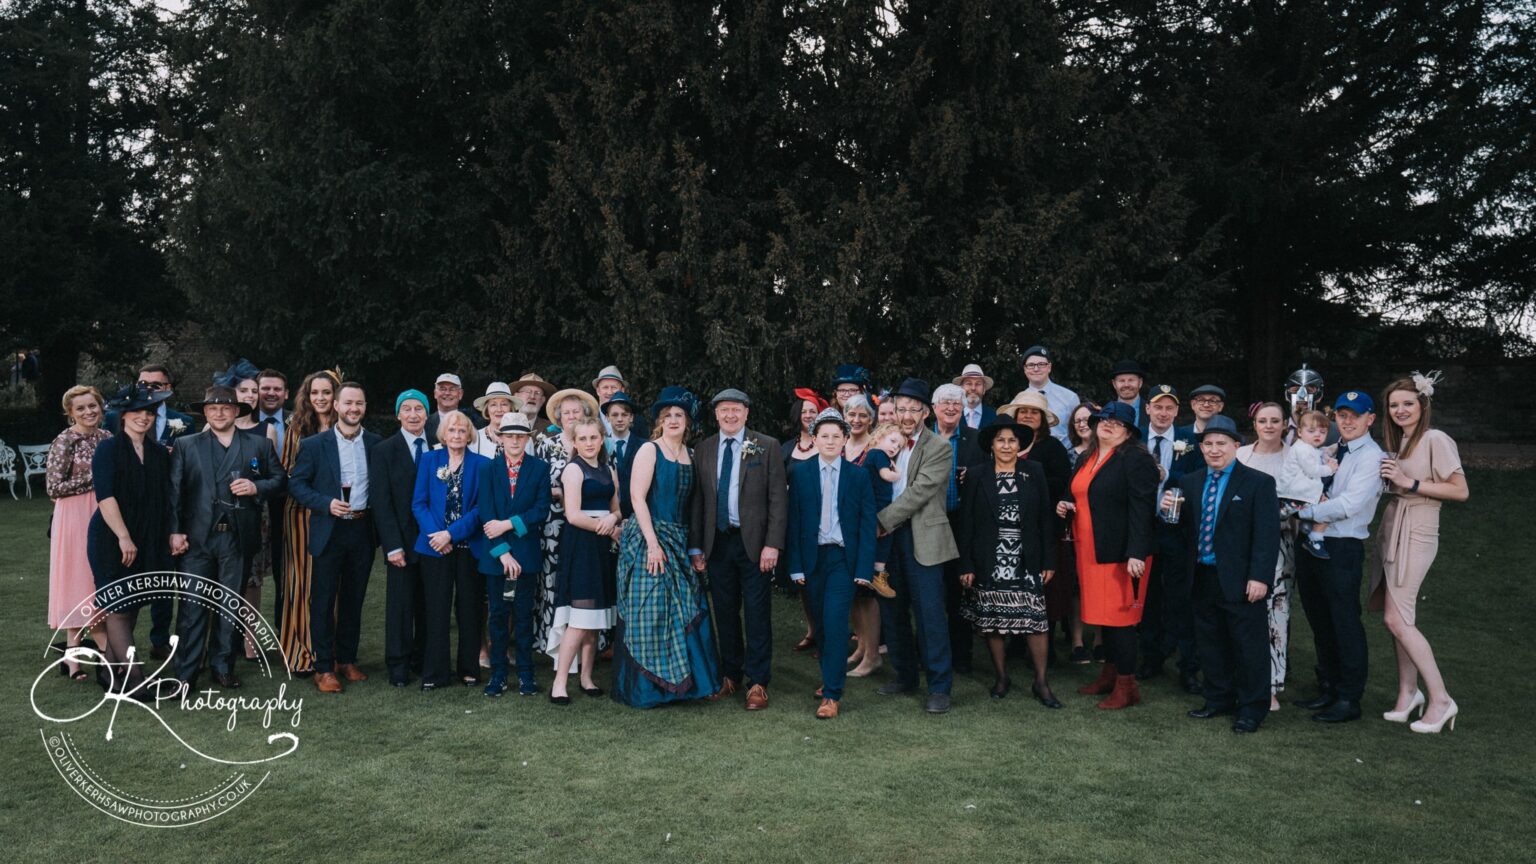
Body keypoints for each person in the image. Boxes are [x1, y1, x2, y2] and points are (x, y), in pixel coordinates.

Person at [1166, 415, 1280, 733]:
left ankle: (1251, 708)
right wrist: (1168, 515)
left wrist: (1260, 577)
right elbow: (1182, 531)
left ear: (1235, 446)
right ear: (1201, 447)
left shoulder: (1258, 482)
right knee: (1210, 642)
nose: (1215, 450)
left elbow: (1266, 535)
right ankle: (1217, 699)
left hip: (1241, 578)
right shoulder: (1191, 481)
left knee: (1248, 645)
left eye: (1221, 444)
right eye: (1208, 444)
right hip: (1202, 574)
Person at [168, 386, 285, 689]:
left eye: (225, 408)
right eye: (213, 409)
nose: (219, 413)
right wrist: (176, 530)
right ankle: (186, 672)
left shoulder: (258, 444)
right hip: (197, 538)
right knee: (193, 607)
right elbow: (175, 493)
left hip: (237, 537)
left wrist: (256, 487)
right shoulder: (187, 444)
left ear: (236, 411)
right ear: (205, 412)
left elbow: (280, 480)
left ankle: (223, 666)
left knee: (230, 605)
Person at [612, 387, 722, 707]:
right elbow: (636, 498)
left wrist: (692, 547)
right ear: (660, 421)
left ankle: (687, 687)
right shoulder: (650, 450)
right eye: (668, 416)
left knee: (684, 608)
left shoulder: (691, 454)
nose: (674, 420)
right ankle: (649, 690)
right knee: (650, 609)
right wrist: (652, 544)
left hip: (679, 539)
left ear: (688, 422)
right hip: (648, 536)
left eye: (679, 415)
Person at [1375, 374, 1468, 733]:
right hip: (1396, 523)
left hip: (1419, 527)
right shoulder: (1403, 440)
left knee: (1398, 619)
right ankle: (1408, 693)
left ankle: (1441, 699)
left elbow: (1460, 490)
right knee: (1395, 615)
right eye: (1394, 405)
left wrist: (1409, 483)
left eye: (1407, 403)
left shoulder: (1435, 438)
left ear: (1423, 405)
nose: (1400, 410)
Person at [689, 388, 788, 709]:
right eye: (723, 410)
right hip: (717, 542)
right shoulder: (703, 449)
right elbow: (699, 501)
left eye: (736, 410)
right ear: (716, 414)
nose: (730, 415)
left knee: (757, 614)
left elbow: (777, 498)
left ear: (746, 413)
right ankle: (730, 674)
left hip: (755, 544)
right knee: (725, 611)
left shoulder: (766, 445)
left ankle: (758, 681)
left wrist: (772, 544)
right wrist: (696, 547)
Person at [1057, 401, 1158, 710]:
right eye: (1104, 420)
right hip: (1090, 551)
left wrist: (1136, 553)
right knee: (1104, 618)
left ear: (1128, 432)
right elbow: (1077, 493)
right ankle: (1109, 675)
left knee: (1120, 620)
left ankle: (1127, 687)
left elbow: (1142, 508)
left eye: (1118, 423)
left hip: (1122, 554)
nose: (1109, 425)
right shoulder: (1087, 457)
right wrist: (1064, 505)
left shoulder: (1136, 459)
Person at [1291, 389, 1384, 723]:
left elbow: (1348, 506)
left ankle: (1348, 697)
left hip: (1341, 547)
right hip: (1312, 544)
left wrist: (1300, 512)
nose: (1347, 421)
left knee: (1344, 622)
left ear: (1370, 419)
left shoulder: (1371, 457)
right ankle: (1328, 686)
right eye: (1342, 415)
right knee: (1320, 620)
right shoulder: (1333, 450)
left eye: (1355, 416)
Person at [955, 416, 1060, 707]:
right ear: (991, 444)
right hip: (990, 556)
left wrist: (1048, 559)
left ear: (1019, 445)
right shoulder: (977, 475)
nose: (1006, 445)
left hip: (1027, 558)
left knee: (1035, 621)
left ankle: (1041, 682)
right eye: (1000, 440)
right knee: (994, 621)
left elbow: (1044, 519)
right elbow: (967, 524)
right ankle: (1001, 677)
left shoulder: (1033, 471)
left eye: (1011, 440)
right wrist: (966, 563)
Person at [288, 381, 381, 694]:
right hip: (330, 528)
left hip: (362, 529)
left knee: (354, 599)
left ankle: (347, 659)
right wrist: (325, 503)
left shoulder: (375, 443)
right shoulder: (316, 444)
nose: (354, 408)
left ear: (364, 407)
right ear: (337, 406)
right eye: (348, 403)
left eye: (360, 403)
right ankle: (324, 667)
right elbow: (297, 485)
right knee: (324, 600)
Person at [876, 378, 959, 715]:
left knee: (929, 614)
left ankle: (939, 687)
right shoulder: (883, 442)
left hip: (921, 537)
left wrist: (881, 520)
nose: (907, 415)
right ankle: (905, 676)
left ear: (926, 412)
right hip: (888, 541)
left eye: (913, 409)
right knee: (892, 611)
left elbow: (920, 491)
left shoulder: (939, 447)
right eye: (901, 409)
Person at [787, 409, 877, 719]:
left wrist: (864, 569)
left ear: (844, 439)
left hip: (842, 558)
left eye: (836, 436)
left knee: (837, 622)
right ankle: (829, 676)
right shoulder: (800, 473)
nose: (829, 441)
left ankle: (832, 693)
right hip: (813, 560)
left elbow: (867, 525)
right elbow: (794, 522)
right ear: (814, 439)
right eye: (823, 435)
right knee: (823, 626)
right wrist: (796, 565)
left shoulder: (858, 476)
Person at [87, 384, 175, 698]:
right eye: (137, 411)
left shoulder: (157, 453)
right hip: (112, 538)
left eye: (149, 412)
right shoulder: (108, 449)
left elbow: (164, 500)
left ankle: (109, 671)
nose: (144, 417)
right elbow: (105, 496)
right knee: (118, 607)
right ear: (123, 415)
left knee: (133, 604)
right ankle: (136, 680)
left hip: (147, 538)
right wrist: (123, 536)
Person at [411, 410, 491, 690]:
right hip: (435, 547)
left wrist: (451, 534)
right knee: (436, 608)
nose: (457, 435)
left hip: (469, 546)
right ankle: (435, 673)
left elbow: (482, 508)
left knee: (469, 608)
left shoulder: (483, 464)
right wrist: (437, 535)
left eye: (462, 431)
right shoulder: (430, 460)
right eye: (452, 430)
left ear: (469, 434)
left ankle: (469, 669)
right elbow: (419, 503)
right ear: (443, 434)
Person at [477, 411, 552, 697]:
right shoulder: (488, 469)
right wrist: (503, 554)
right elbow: (486, 512)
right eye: (509, 436)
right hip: (497, 555)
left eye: (520, 436)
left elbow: (541, 510)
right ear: (500, 438)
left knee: (523, 616)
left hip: (527, 553)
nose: (515, 441)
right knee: (497, 615)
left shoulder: (539, 469)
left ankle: (525, 672)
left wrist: (509, 523)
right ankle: (498, 674)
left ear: (527, 438)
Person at [998, 389, 1075, 669]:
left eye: (1034, 412)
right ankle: (1017, 641)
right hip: (1010, 528)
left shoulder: (1051, 448)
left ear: (1042, 419)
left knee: (1046, 588)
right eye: (1023, 412)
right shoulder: (1006, 444)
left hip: (1044, 526)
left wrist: (1028, 480)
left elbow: (1062, 482)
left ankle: (1047, 646)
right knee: (1015, 583)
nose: (1028, 416)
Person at [548, 417, 620, 704]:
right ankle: (559, 682)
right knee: (579, 617)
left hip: (604, 546)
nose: (589, 443)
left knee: (595, 617)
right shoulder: (573, 471)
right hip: (581, 544)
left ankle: (587, 678)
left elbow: (618, 507)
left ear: (602, 439)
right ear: (575, 443)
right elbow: (573, 514)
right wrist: (604, 525)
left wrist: (613, 520)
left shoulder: (608, 469)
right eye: (583, 439)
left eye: (594, 438)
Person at [1135, 384, 1200, 691]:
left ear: (1177, 411)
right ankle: (1151, 656)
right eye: (1157, 407)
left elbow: (1199, 480)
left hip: (1178, 531)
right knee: (1147, 597)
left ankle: (1188, 664)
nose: (1163, 413)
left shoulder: (1191, 441)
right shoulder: (1134, 439)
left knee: (1181, 597)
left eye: (1169, 408)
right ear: (1147, 409)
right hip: (1144, 530)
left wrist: (1170, 480)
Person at [46, 385, 110, 682]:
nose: (88, 412)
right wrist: (94, 477)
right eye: (81, 408)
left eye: (92, 406)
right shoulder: (65, 440)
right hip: (73, 515)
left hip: (104, 510)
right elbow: (53, 488)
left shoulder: (108, 438)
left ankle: (72, 660)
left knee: (93, 581)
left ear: (101, 407)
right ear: (70, 413)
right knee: (79, 580)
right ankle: (111, 652)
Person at [370, 389, 432, 687]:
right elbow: (381, 503)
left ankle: (422, 659)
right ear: (398, 415)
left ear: (426, 413)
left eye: (418, 408)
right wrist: (392, 545)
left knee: (427, 603)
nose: (413, 414)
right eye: (406, 409)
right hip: (402, 543)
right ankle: (398, 664)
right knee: (400, 606)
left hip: (433, 541)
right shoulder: (385, 450)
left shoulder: (439, 445)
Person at [1236, 402, 1296, 711]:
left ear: (1285, 424)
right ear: (1254, 424)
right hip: (1239, 544)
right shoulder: (1241, 455)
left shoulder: (1294, 458)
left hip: (1278, 544)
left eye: (1275, 420)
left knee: (1276, 613)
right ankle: (1243, 677)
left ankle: (1272, 684)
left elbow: (1301, 503)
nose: (1269, 426)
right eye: (1263, 420)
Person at [220, 361, 282, 661]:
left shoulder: (266, 429)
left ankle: (249, 639)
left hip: (256, 512)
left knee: (252, 580)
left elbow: (274, 476)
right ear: (232, 393)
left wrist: (255, 488)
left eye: (254, 391)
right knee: (222, 575)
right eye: (244, 390)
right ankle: (222, 638)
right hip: (222, 514)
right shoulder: (214, 426)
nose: (250, 395)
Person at [536, 388, 604, 657]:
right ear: (559, 417)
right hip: (554, 524)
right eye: (566, 413)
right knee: (554, 583)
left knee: (585, 584)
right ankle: (554, 645)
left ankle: (588, 646)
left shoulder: (593, 443)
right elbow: (536, 484)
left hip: (587, 523)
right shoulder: (546, 444)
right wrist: (562, 492)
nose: (572, 416)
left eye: (577, 411)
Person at [278, 370, 338, 675]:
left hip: (336, 514)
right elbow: (289, 472)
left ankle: (331, 650)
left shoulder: (347, 425)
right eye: (315, 393)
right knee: (302, 582)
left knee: (331, 585)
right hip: (302, 513)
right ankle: (302, 651)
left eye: (326, 393)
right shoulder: (298, 427)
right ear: (307, 395)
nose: (320, 398)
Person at [931, 382, 985, 674]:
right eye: (945, 403)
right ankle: (930, 653)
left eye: (956, 403)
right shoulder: (923, 438)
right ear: (934, 409)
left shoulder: (976, 440)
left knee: (960, 593)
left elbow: (989, 477)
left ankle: (962, 657)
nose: (951, 408)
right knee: (930, 593)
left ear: (964, 408)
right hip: (930, 524)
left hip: (963, 524)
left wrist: (973, 477)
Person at [781, 388, 824, 651]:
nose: (808, 415)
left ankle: (828, 634)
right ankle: (812, 630)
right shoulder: (787, 448)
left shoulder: (829, 443)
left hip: (822, 522)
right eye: (804, 411)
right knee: (803, 582)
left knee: (822, 581)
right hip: (795, 522)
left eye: (813, 411)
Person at [1062, 401, 1101, 663]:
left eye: (1087, 419)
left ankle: (1099, 639)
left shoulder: (1107, 453)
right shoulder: (1067, 453)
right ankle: (1077, 641)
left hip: (1101, 526)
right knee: (1076, 584)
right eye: (1077, 420)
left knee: (1099, 583)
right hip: (1073, 526)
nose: (1082, 423)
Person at [1279, 410, 1338, 559]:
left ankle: (1310, 532)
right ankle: (1315, 539)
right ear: (1299, 432)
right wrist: (1330, 469)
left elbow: (1320, 455)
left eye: (1322, 431)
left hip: (1299, 492)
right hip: (1295, 494)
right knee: (1328, 511)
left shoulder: (1308, 448)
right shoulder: (1303, 449)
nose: (1317, 435)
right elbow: (1312, 470)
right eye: (1311, 431)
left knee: (1324, 505)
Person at [1018, 345, 1079, 447]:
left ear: (1049, 367)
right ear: (1025, 369)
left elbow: (1079, 430)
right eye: (1031, 365)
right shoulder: (1018, 401)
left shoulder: (1070, 398)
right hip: (1029, 457)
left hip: (1065, 457)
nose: (1036, 369)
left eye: (1041, 364)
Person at [603, 391, 641, 517]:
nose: (619, 419)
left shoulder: (644, 446)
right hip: (607, 514)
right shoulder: (599, 446)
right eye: (614, 415)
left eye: (624, 415)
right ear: (607, 417)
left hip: (637, 514)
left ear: (631, 417)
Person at [425, 373, 486, 441]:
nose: (447, 393)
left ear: (460, 394)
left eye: (452, 389)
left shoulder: (475, 422)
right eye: (442, 389)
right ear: (435, 394)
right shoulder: (425, 424)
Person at [469, 382, 521, 458]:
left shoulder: (523, 437)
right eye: (493, 404)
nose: (499, 409)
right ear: (487, 409)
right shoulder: (475, 438)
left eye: (504, 404)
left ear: (511, 408)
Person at [1107, 359, 1148, 434]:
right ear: (1114, 384)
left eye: (1131, 380)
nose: (1126, 385)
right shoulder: (1106, 413)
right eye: (1121, 381)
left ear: (1140, 382)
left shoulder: (1152, 412)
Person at [954, 363, 998, 430]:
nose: (973, 388)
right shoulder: (951, 415)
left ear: (984, 390)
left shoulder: (994, 417)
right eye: (969, 383)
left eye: (978, 384)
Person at [842, 393, 875, 462]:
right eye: (852, 415)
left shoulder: (876, 446)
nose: (856, 420)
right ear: (845, 417)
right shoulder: (838, 445)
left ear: (871, 420)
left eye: (863, 416)